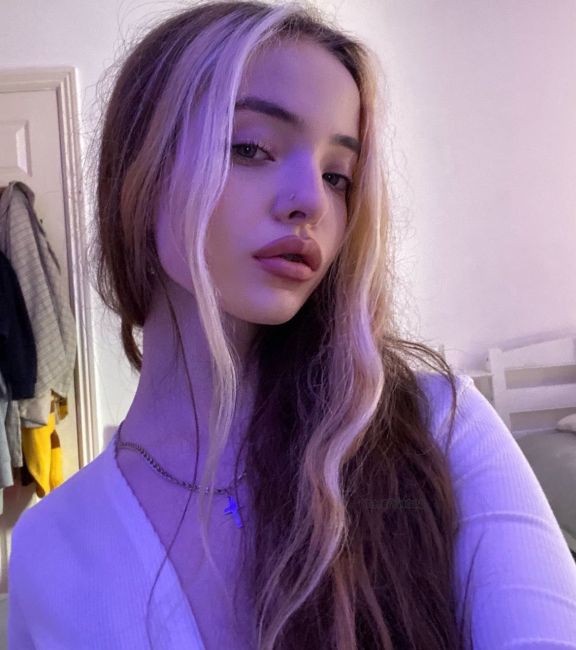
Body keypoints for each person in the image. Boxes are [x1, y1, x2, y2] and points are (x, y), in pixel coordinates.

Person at [7, 1, 576, 648]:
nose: (312, 200)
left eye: (338, 176)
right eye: (251, 148)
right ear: (140, 175)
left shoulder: (441, 428)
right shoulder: (51, 549)